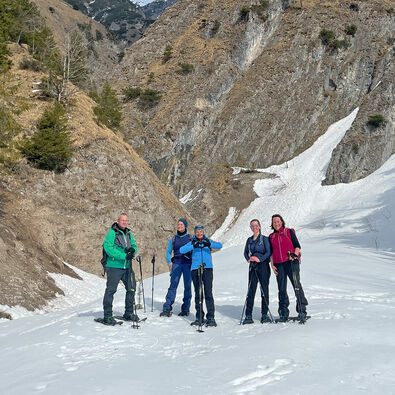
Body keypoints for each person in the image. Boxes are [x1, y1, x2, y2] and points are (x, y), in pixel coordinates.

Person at [180, 225, 222, 327]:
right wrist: (193, 245)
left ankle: (211, 317)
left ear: (203, 232)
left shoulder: (208, 241)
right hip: (195, 269)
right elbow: (181, 250)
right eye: (197, 232)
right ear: (195, 233)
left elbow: (220, 245)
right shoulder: (192, 242)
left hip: (207, 269)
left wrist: (209, 243)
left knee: (208, 293)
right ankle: (199, 317)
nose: (199, 233)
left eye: (201, 231)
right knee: (198, 293)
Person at [269, 214, 308, 322]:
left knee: (296, 286)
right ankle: (283, 312)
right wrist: (272, 265)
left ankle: (301, 310)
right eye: (274, 222)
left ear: (281, 222)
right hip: (278, 264)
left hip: (291, 263)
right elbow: (271, 253)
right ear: (272, 224)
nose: (276, 223)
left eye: (278, 221)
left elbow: (297, 246)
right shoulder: (271, 237)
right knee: (281, 289)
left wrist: (294, 255)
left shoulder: (289, 232)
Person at [101, 213, 138, 325]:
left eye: (126, 221)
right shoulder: (112, 233)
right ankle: (107, 315)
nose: (125, 222)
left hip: (127, 266)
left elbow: (134, 246)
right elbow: (108, 248)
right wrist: (124, 256)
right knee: (111, 290)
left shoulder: (128, 233)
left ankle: (129, 312)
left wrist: (132, 251)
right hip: (114, 266)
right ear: (117, 221)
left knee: (131, 287)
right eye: (122, 220)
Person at [160, 219, 192, 317]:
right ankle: (167, 307)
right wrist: (170, 262)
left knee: (187, 287)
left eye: (181, 224)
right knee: (173, 285)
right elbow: (168, 252)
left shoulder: (191, 238)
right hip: (177, 264)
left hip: (188, 264)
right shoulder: (173, 239)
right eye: (178, 224)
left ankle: (185, 309)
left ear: (185, 226)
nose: (179, 226)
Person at [242, 219, 271, 324]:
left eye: (256, 225)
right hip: (253, 266)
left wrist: (260, 259)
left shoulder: (264, 239)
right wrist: (248, 259)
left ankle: (264, 314)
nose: (254, 228)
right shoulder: (249, 240)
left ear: (259, 226)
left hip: (263, 266)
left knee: (264, 290)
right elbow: (245, 252)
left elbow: (268, 252)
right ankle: (248, 315)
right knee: (251, 289)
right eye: (252, 226)